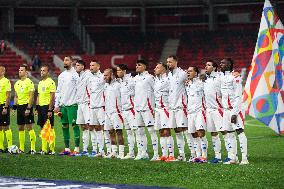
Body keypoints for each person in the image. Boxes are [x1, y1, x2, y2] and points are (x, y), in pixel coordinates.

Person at [220, 58, 248, 165]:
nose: (221, 64)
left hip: (235, 109)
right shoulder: (222, 76)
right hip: (226, 110)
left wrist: (234, 112)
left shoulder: (235, 77)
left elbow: (238, 96)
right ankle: (233, 158)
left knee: (240, 131)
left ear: (229, 64)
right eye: (221, 63)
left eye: (223, 63)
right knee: (230, 133)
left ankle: (244, 159)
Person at [167, 55, 193, 161]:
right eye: (167, 62)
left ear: (176, 62)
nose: (168, 64)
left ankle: (193, 154)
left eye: (170, 62)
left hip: (181, 107)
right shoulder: (169, 75)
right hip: (172, 107)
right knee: (177, 131)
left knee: (186, 130)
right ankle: (181, 155)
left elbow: (192, 81)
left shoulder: (182, 73)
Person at [54, 56, 80, 156]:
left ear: (72, 62)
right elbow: (58, 91)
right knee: (64, 126)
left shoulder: (75, 75)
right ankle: (67, 149)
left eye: (67, 60)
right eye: (64, 60)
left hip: (72, 104)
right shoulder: (61, 75)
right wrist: (57, 105)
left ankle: (77, 149)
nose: (65, 62)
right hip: (63, 106)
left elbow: (79, 89)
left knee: (74, 125)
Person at [134, 59, 158, 161]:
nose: (137, 67)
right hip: (138, 108)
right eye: (136, 65)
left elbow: (156, 90)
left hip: (147, 109)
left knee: (151, 131)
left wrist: (154, 106)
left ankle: (156, 154)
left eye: (139, 65)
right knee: (140, 131)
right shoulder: (135, 78)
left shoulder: (149, 78)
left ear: (144, 67)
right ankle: (142, 153)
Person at [203, 60, 226, 163]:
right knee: (213, 133)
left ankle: (231, 155)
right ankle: (218, 156)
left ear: (215, 68)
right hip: (209, 110)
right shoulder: (205, 79)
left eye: (209, 65)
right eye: (206, 65)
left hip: (218, 109)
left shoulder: (220, 77)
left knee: (224, 132)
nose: (206, 67)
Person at [153, 62, 176, 161]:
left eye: (157, 67)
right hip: (157, 109)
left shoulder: (168, 79)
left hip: (165, 108)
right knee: (161, 132)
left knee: (167, 131)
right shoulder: (156, 80)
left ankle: (171, 155)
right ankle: (164, 154)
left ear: (163, 69)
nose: (155, 69)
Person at [186, 66, 208, 163]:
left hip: (199, 111)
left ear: (196, 73)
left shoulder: (202, 83)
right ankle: (198, 156)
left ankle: (204, 156)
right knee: (193, 134)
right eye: (187, 71)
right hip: (190, 112)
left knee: (201, 133)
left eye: (190, 71)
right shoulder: (187, 84)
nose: (188, 72)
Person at [13, 64, 36, 154]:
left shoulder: (29, 82)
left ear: (26, 72)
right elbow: (16, 96)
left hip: (27, 106)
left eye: (22, 70)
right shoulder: (17, 83)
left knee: (29, 127)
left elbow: (31, 97)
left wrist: (28, 108)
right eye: (19, 70)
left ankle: (33, 148)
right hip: (19, 106)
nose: (20, 71)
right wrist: (14, 106)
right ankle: (21, 148)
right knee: (20, 127)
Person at [116, 64, 137, 159]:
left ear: (124, 71)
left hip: (131, 109)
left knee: (137, 131)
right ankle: (131, 153)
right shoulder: (120, 82)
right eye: (116, 71)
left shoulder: (132, 80)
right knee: (128, 132)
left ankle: (142, 152)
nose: (117, 72)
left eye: (119, 70)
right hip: (124, 110)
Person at [103, 68, 124, 158]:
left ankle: (122, 153)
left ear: (112, 75)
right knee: (111, 132)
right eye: (104, 75)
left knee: (118, 132)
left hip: (116, 112)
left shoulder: (118, 85)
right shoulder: (106, 86)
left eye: (106, 75)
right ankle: (114, 152)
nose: (104, 77)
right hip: (108, 112)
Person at [74, 60, 93, 156]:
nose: (76, 67)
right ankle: (85, 149)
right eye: (75, 65)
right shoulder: (78, 77)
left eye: (77, 65)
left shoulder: (88, 75)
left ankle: (95, 149)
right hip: (80, 104)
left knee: (90, 125)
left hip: (87, 104)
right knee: (82, 126)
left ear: (82, 66)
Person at [36, 65, 56, 155]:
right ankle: (44, 149)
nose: (42, 72)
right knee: (42, 128)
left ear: (48, 72)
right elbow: (39, 95)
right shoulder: (40, 83)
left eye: (44, 70)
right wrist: (37, 108)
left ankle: (51, 149)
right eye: (41, 70)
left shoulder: (51, 82)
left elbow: (52, 96)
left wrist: (50, 109)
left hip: (47, 107)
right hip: (40, 107)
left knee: (49, 128)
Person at [88, 60, 106, 157]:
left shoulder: (103, 77)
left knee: (105, 128)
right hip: (92, 106)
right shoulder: (90, 77)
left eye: (93, 65)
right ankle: (100, 150)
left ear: (98, 67)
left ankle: (109, 150)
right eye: (90, 65)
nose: (91, 67)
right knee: (95, 128)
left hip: (101, 106)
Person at [0, 66, 13, 153]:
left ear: (4, 72)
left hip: (3, 105)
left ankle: (9, 147)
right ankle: (1, 147)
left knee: (6, 126)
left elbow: (8, 95)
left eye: (1, 70)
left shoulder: (6, 81)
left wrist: (5, 107)